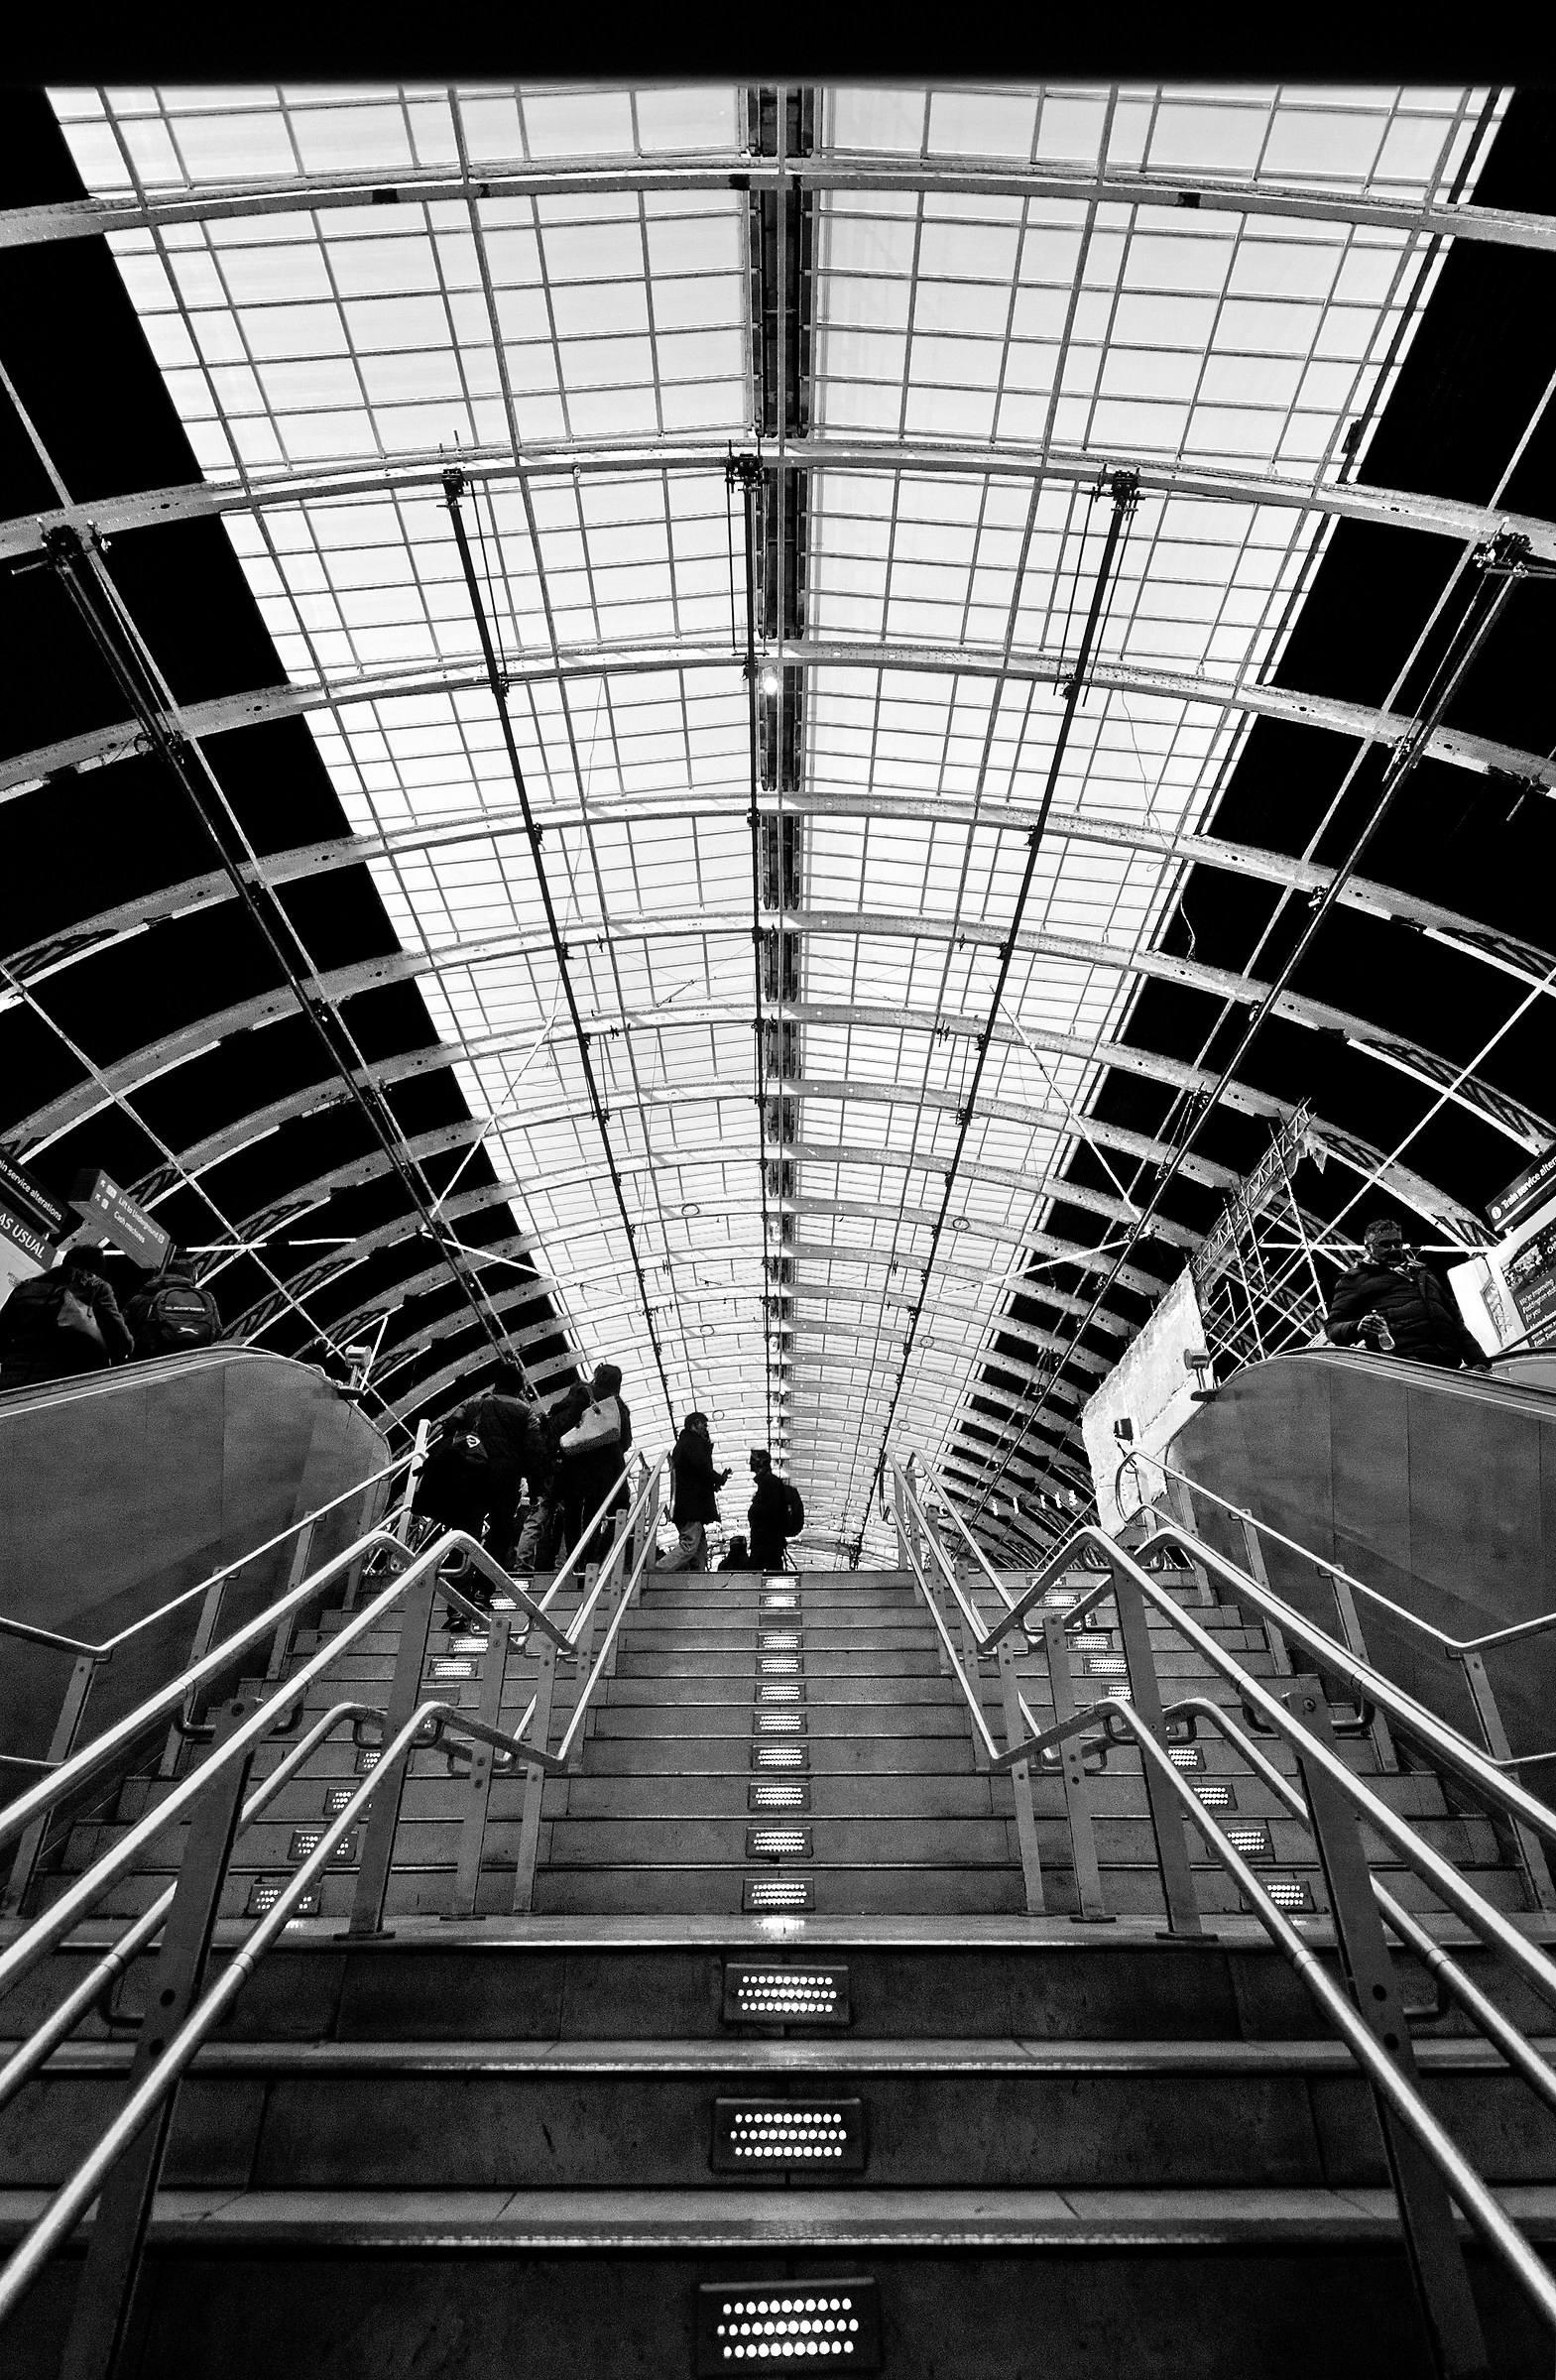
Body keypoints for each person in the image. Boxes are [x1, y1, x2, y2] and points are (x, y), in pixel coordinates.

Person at [1325, 1218, 1492, 1371]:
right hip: (1404, 1366)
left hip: (1447, 1366)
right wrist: (1357, 1327)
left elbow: (1455, 1322)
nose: (1393, 1249)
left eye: (1398, 1243)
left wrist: (1479, 1361)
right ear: (1368, 1247)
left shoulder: (1423, 1274)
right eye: (1385, 1244)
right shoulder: (1353, 1280)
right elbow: (1333, 1329)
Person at [0, 1243, 134, 1390]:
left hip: (11, 1381)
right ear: (97, 1269)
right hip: (59, 1386)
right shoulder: (95, 1288)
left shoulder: (26, 1288)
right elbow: (122, 1343)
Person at [450, 1359, 535, 1568]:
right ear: (518, 1388)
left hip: (472, 1474)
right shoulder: (525, 1412)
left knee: (466, 1528)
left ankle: (457, 1584)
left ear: (496, 1384)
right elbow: (535, 1450)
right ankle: (483, 1588)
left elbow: (450, 1425)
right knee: (500, 1532)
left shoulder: (474, 1403)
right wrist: (536, 1484)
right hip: (506, 1481)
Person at [559, 1362, 632, 1561]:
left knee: (572, 1517)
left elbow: (566, 1424)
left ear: (597, 1376)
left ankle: (574, 1560)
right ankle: (590, 1560)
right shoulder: (619, 1406)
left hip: (577, 1467)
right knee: (594, 1518)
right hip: (606, 1474)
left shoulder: (584, 1394)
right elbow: (625, 1442)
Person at [658, 1411, 729, 1571]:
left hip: (685, 1506)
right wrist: (717, 1479)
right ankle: (658, 1570)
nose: (706, 1429)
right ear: (695, 1424)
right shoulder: (693, 1442)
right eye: (704, 1425)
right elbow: (701, 1468)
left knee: (699, 1548)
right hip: (692, 1507)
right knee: (690, 1545)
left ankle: (697, 1577)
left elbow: (694, 1472)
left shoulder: (683, 1443)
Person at [124, 1247, 221, 1360]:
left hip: (147, 1364)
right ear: (193, 1278)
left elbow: (120, 1330)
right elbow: (217, 1331)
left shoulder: (141, 1299)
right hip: (188, 1364)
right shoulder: (203, 1300)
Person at [748, 1447, 803, 1573]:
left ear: (760, 1463)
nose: (750, 1464)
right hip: (771, 1542)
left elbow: (770, 1510)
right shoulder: (768, 1483)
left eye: (752, 1461)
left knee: (758, 1577)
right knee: (773, 1573)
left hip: (766, 1543)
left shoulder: (769, 1483)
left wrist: (755, 1512)